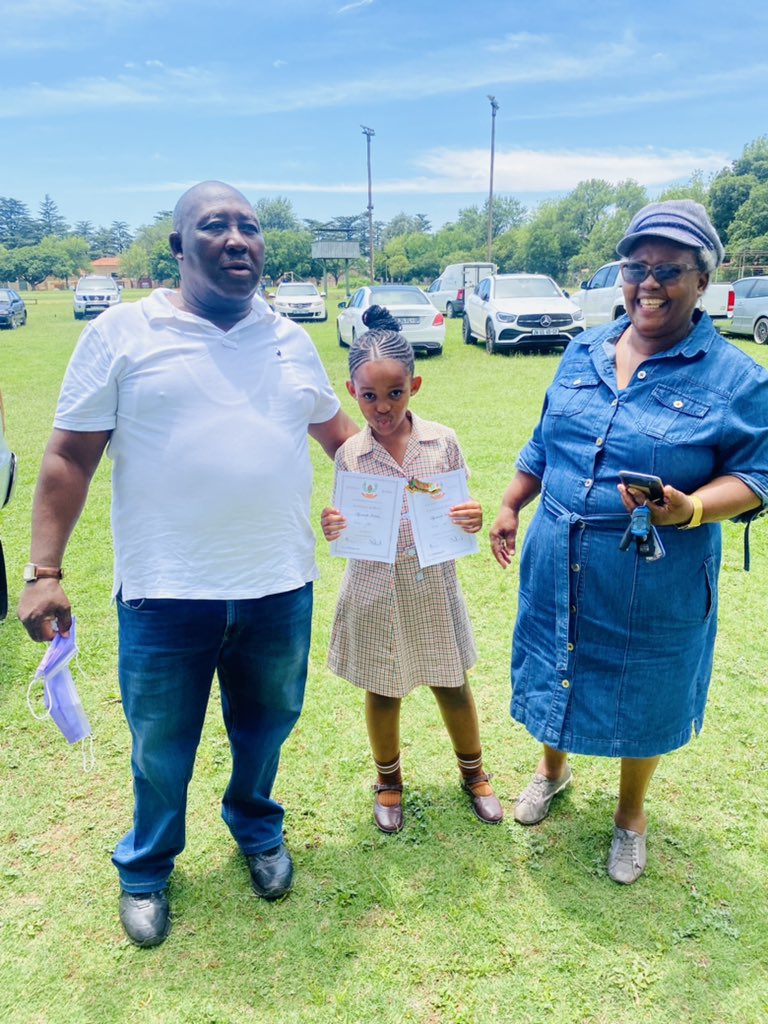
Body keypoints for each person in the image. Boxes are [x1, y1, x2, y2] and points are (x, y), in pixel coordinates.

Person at [17, 181, 358, 946]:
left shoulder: (290, 337)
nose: (238, 239)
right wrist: (44, 571)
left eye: (251, 227)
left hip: (278, 585)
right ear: (178, 246)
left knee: (268, 728)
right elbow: (70, 455)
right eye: (215, 226)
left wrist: (420, 490)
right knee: (161, 747)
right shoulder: (121, 334)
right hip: (165, 593)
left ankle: (256, 828)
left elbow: (342, 438)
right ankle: (146, 868)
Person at [489, 200, 768, 884]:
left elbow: (759, 474)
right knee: (559, 658)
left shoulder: (735, 377)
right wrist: (510, 503)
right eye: (636, 267)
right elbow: (546, 434)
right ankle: (550, 773)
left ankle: (630, 817)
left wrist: (694, 508)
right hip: (560, 553)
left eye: (668, 269)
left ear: (704, 279)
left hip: (656, 569)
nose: (648, 282)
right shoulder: (584, 348)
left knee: (643, 685)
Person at [321, 306, 503, 833]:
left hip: (432, 585)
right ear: (351, 391)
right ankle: (388, 781)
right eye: (370, 396)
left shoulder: (441, 441)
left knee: (452, 683)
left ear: (415, 385)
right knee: (382, 689)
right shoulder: (351, 455)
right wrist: (335, 525)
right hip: (376, 589)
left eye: (395, 393)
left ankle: (474, 774)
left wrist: (472, 517)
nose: (383, 407)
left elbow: (460, 509)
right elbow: (347, 519)